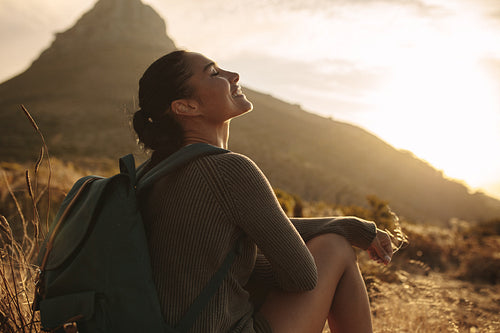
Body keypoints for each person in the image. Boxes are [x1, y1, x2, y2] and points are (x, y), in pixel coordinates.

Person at [132, 50, 393, 333]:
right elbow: (301, 277)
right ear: (186, 107)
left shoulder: (151, 173)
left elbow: (229, 241)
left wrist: (343, 225)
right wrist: (336, 232)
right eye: (214, 73)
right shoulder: (228, 170)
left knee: (334, 237)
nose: (234, 76)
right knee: (335, 247)